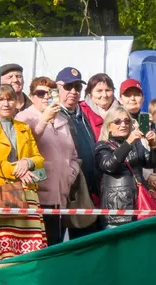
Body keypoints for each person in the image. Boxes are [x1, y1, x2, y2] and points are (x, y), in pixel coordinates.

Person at [0, 85, 46, 265]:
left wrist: (27, 163)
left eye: (10, 99)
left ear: (16, 103)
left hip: (26, 192)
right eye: (1, 99)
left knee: (28, 253)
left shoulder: (24, 127)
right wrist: (15, 170)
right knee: (0, 254)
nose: (6, 103)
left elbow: (38, 159)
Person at [17, 76, 80, 245]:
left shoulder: (63, 120)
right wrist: (43, 120)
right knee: (40, 247)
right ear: (31, 96)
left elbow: (73, 156)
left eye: (50, 93)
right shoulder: (23, 119)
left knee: (57, 245)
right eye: (40, 93)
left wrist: (70, 174)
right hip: (37, 195)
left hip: (61, 196)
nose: (46, 97)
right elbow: (25, 150)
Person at [55, 66, 102, 236]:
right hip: (66, 188)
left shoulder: (83, 115)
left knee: (85, 238)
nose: (73, 91)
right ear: (58, 88)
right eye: (68, 87)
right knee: (62, 242)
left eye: (77, 87)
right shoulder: (54, 115)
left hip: (87, 188)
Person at [94, 108, 156, 227]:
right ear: (109, 126)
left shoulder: (136, 143)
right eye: (117, 121)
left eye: (126, 121)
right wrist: (128, 143)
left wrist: (154, 145)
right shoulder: (102, 146)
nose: (123, 124)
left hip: (140, 207)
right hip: (117, 212)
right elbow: (109, 166)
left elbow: (152, 163)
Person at [79, 73, 120, 139]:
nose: (104, 95)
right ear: (90, 94)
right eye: (99, 91)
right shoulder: (80, 110)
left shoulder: (122, 110)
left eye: (107, 90)